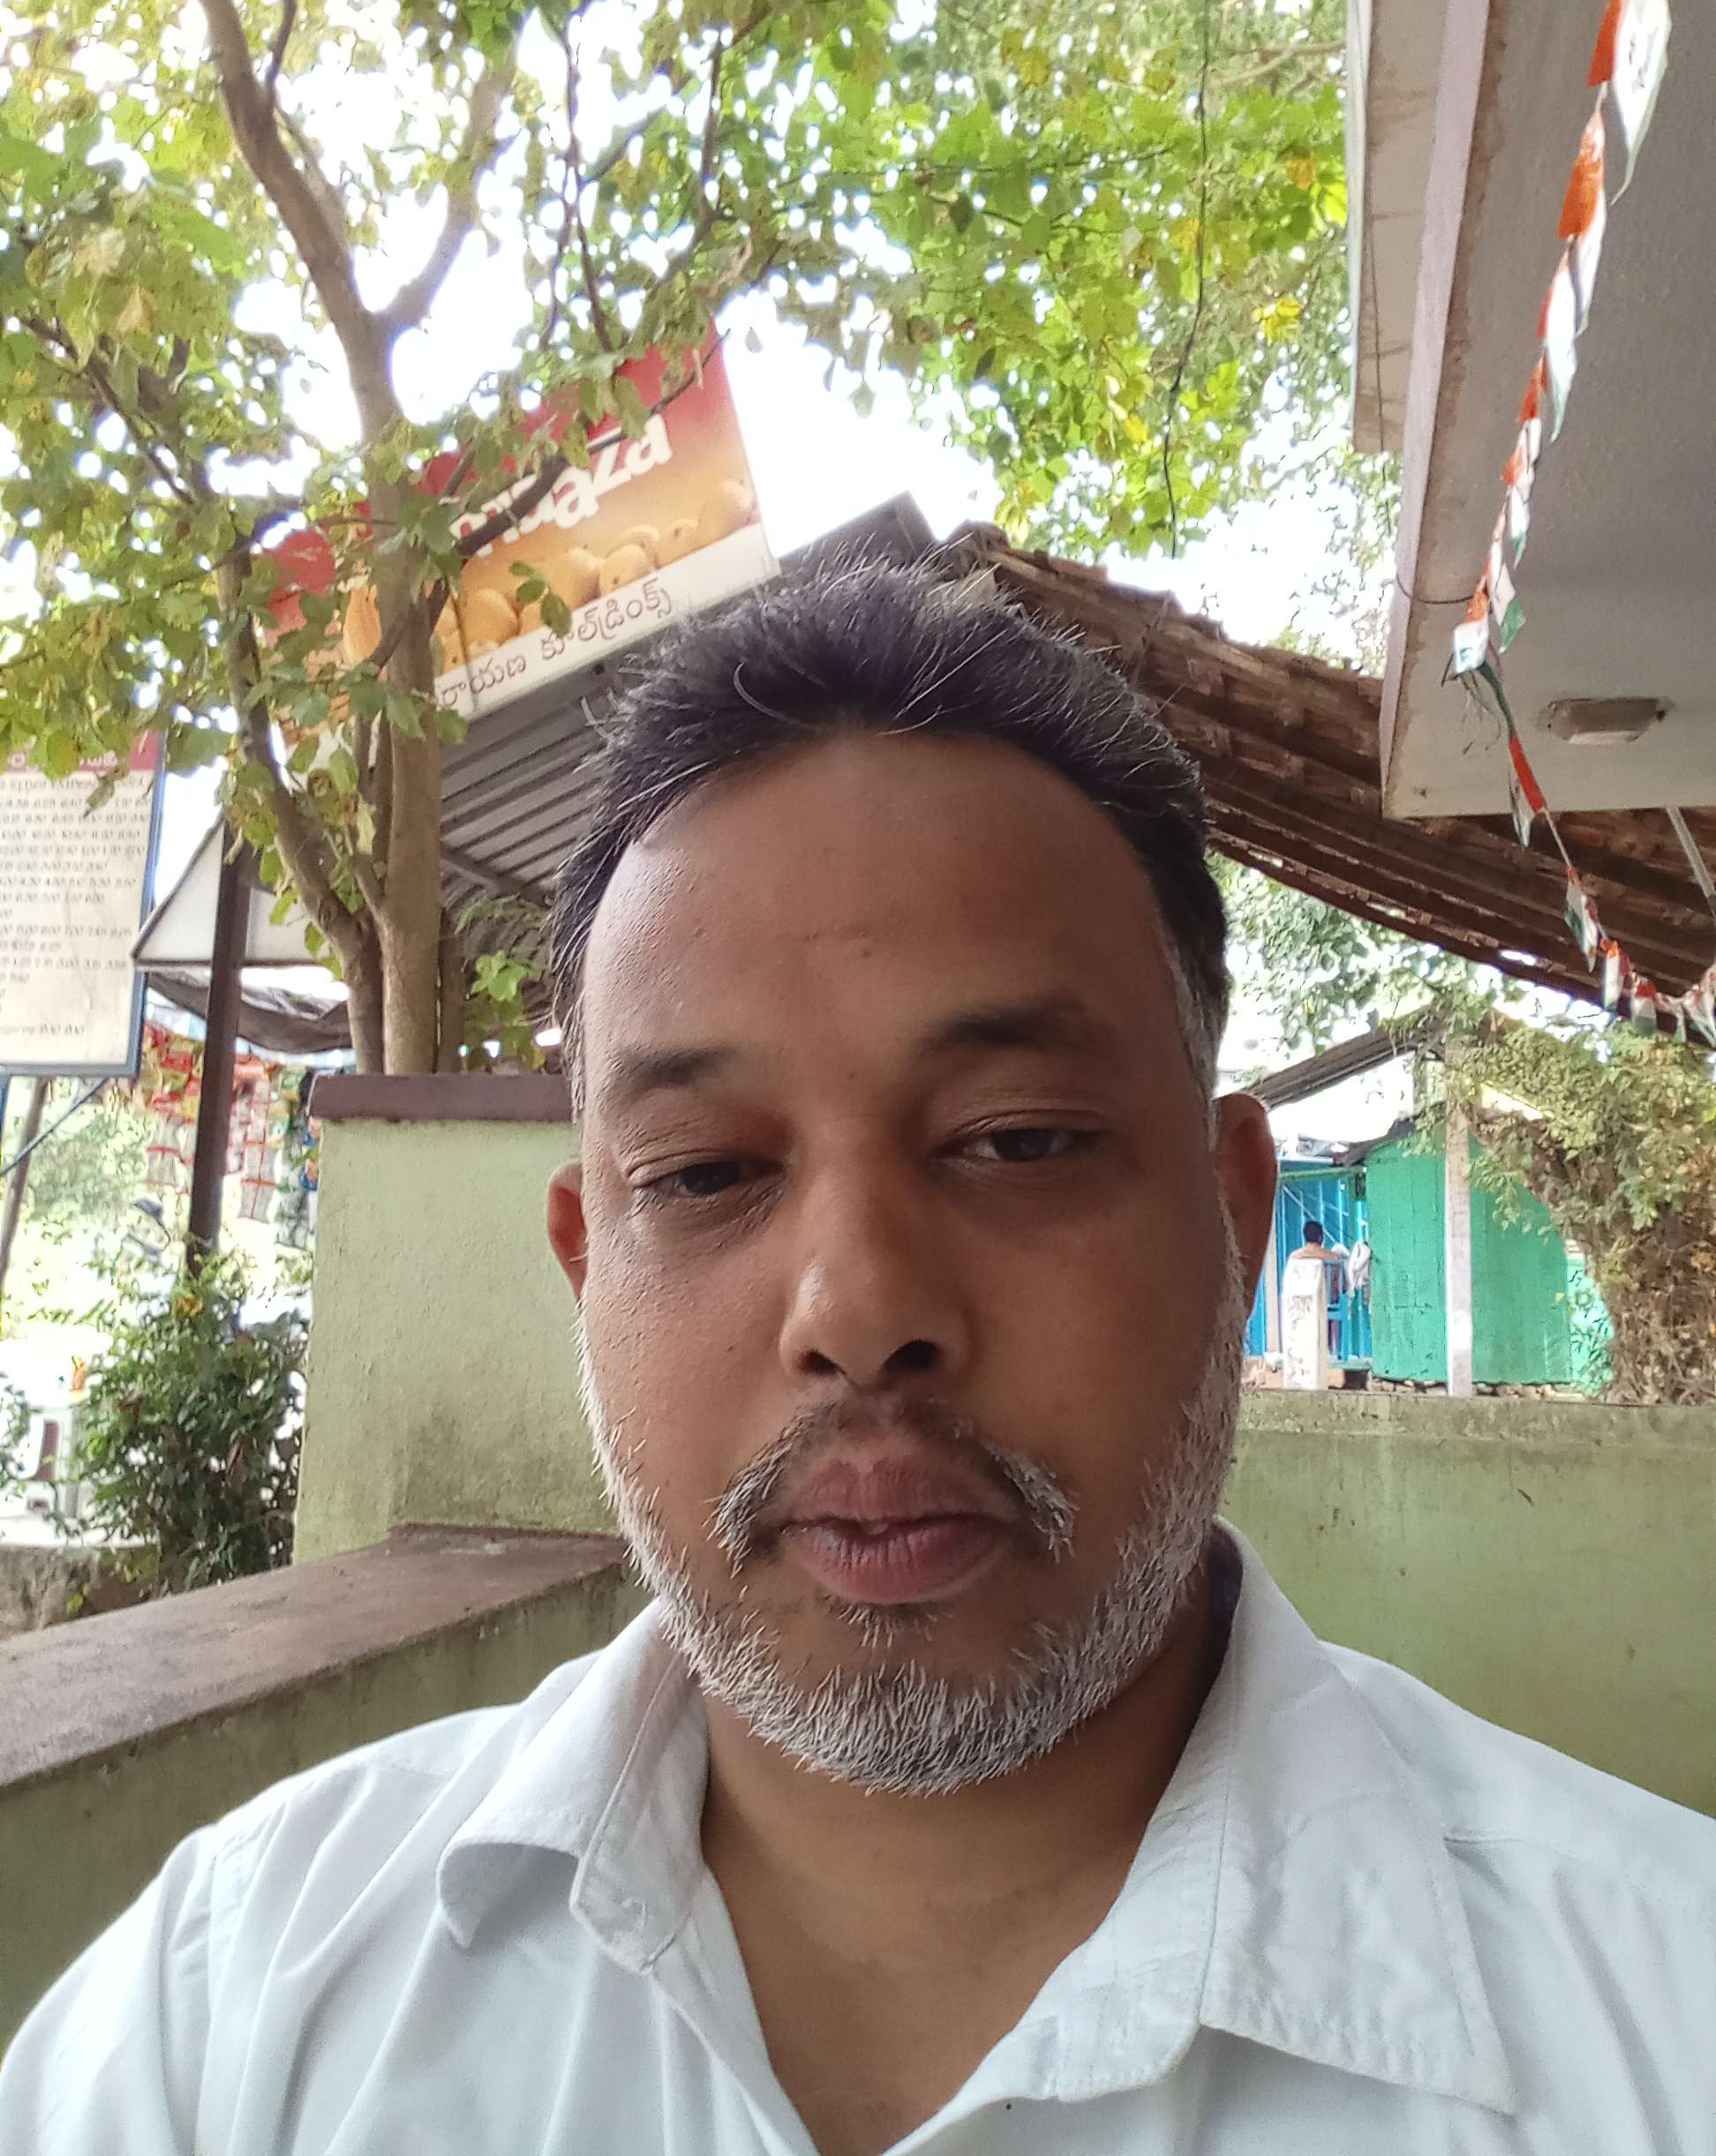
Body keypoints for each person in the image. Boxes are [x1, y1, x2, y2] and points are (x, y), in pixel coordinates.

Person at [3, 564, 1712, 2154]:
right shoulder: (229, 2024)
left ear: (1232, 1216)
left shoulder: (1655, 2027)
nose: (858, 1304)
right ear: (585, 1267)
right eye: (705, 1173)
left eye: (1019, 1139)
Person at [1286, 1214, 1348, 1354]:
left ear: (1305, 1237)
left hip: (1302, 1303)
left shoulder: (1295, 1257)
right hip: (1326, 1303)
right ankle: (1332, 1350)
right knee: (1334, 1301)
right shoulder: (1333, 1257)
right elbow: (1341, 1286)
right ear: (1321, 1237)